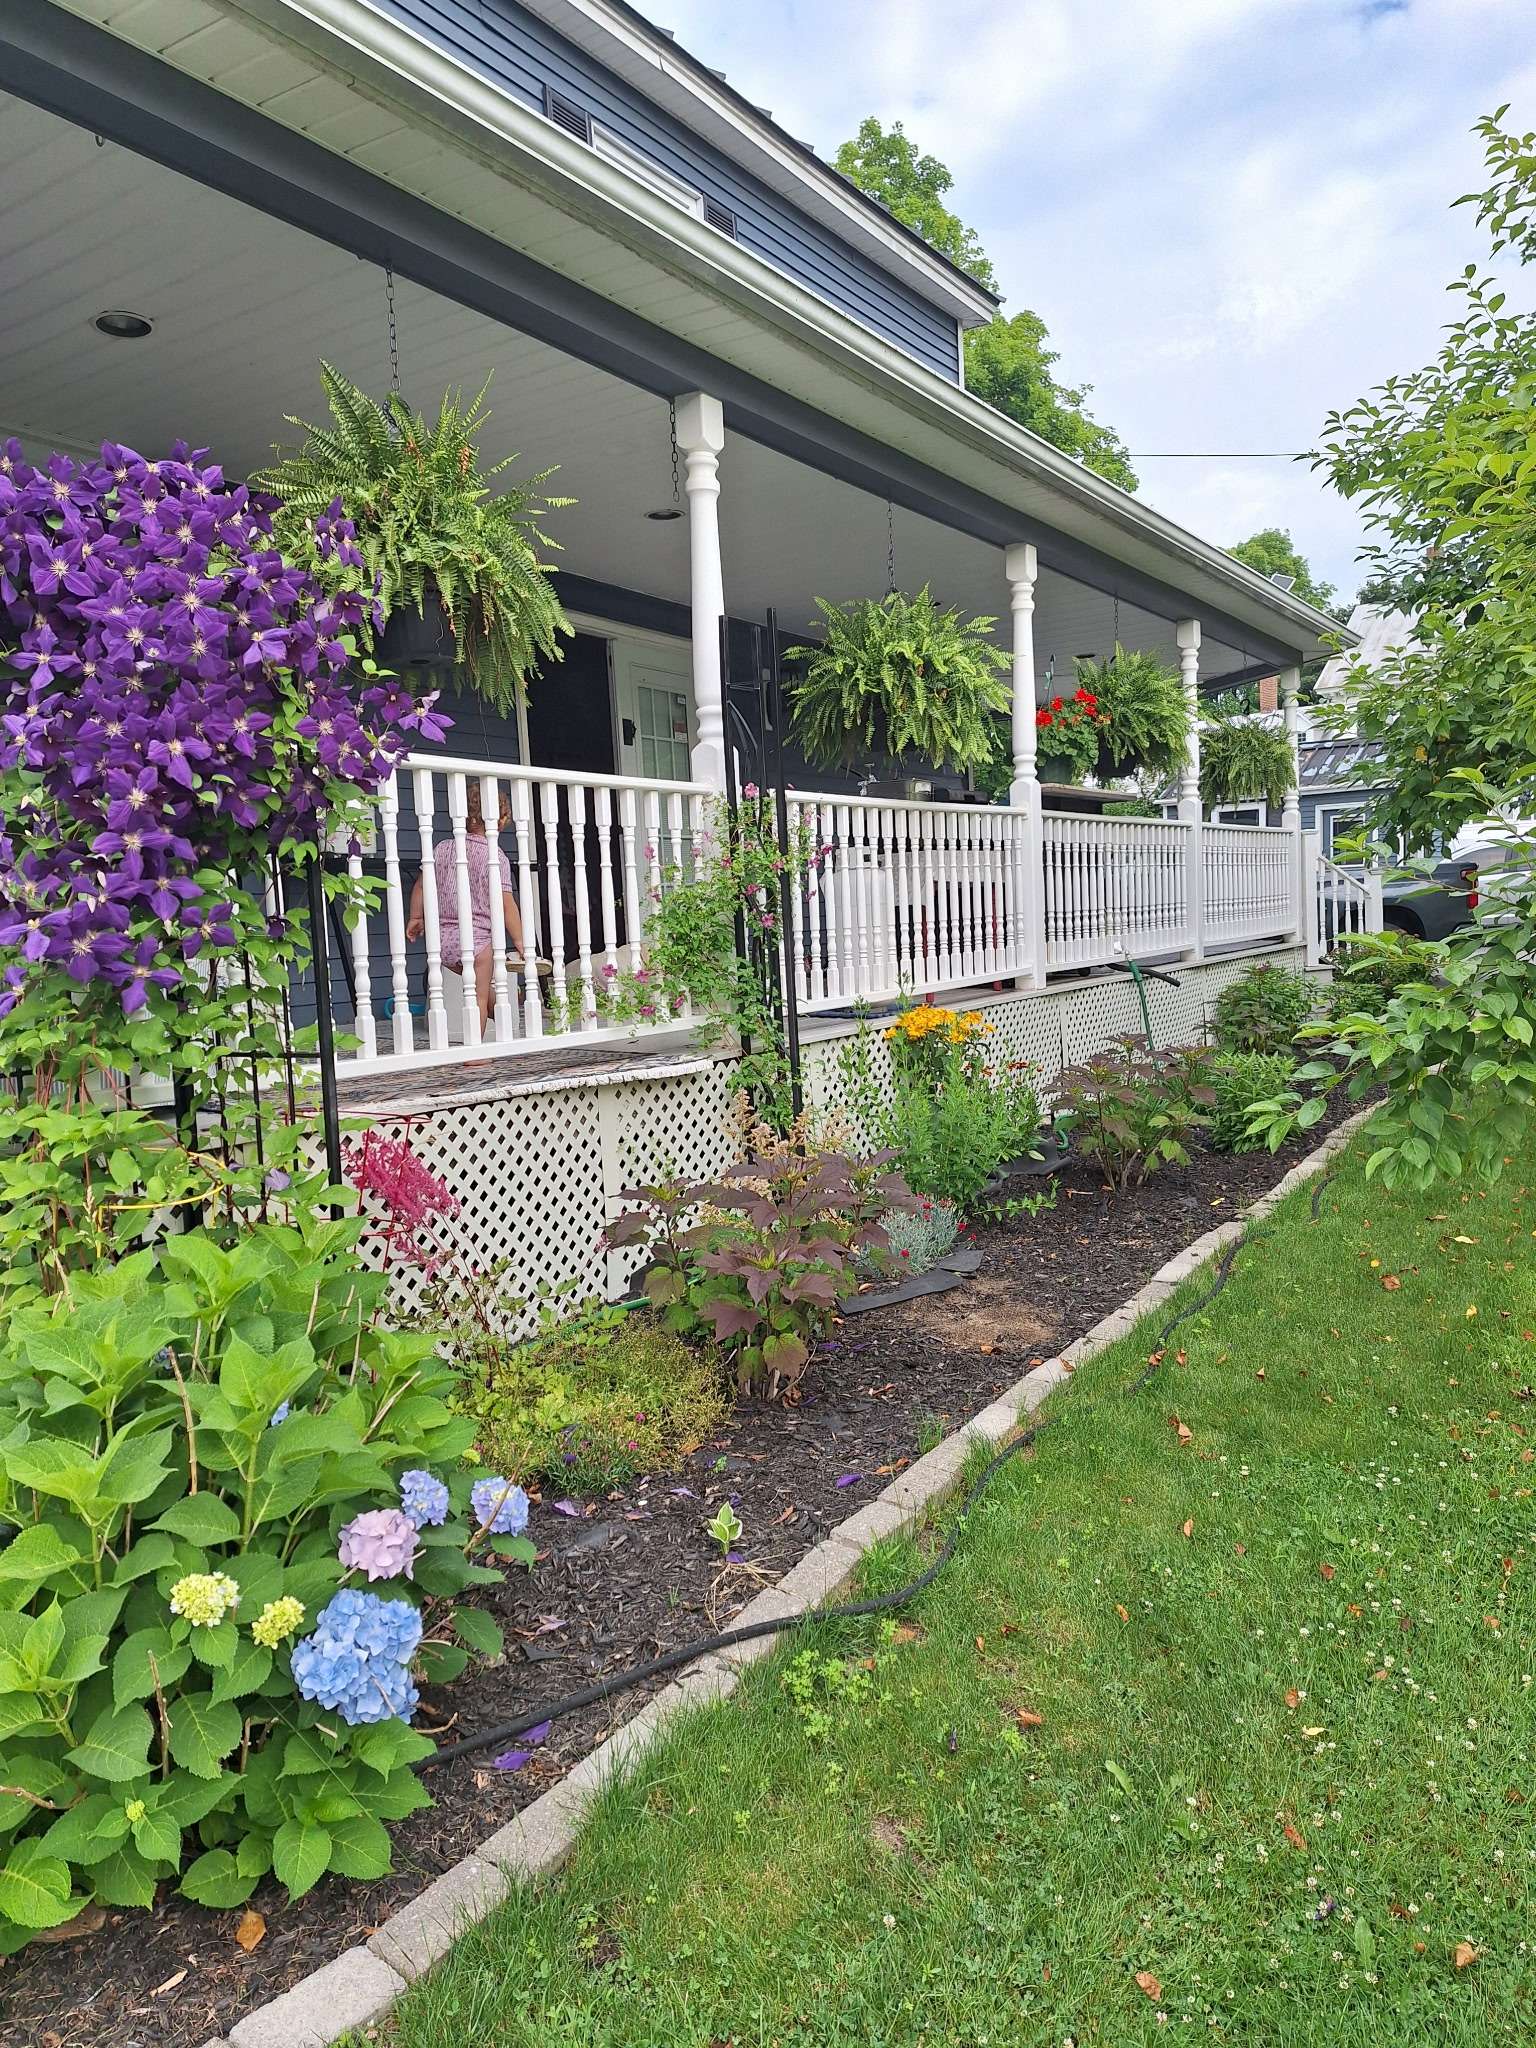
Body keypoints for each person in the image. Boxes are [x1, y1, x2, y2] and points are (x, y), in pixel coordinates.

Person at [406, 783, 528, 1032]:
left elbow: (421, 886)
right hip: (478, 944)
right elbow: (506, 905)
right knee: (477, 999)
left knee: (475, 986)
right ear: (501, 820)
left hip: (442, 943)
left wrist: (416, 917)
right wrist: (520, 941)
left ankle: (500, 1010)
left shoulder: (442, 848)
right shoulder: (496, 857)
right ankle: (475, 1048)